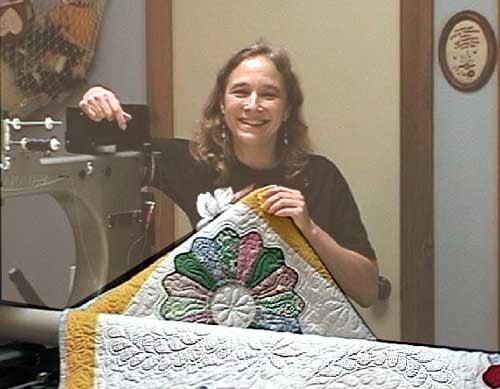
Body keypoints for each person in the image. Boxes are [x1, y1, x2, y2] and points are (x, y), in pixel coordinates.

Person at [79, 41, 379, 307]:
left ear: (287, 110)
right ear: (222, 105)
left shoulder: (320, 177)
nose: (252, 105)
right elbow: (106, 152)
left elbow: (366, 291)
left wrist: (310, 231)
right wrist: (96, 102)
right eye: (240, 92)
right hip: (218, 331)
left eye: (269, 94)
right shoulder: (193, 162)